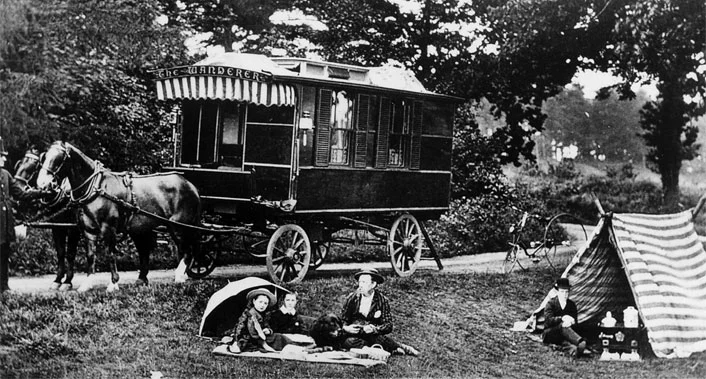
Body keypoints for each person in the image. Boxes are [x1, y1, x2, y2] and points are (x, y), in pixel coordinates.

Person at [0, 138, 52, 292]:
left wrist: (42, 193)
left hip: (5, 221)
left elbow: (21, 194)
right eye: (1, 155)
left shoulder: (5, 174)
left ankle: (4, 286)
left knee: (4, 253)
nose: (4, 158)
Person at [340, 268, 420, 356]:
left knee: (379, 339)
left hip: (372, 335)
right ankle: (385, 349)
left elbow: (388, 325)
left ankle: (400, 347)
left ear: (373, 284)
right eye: (360, 282)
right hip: (354, 335)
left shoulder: (382, 301)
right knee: (349, 342)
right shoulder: (352, 298)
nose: (360, 285)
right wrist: (347, 328)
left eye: (364, 282)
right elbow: (343, 319)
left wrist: (374, 329)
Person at [232, 288, 292, 352]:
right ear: (254, 301)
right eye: (260, 302)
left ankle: (290, 344)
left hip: (262, 336)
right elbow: (240, 326)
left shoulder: (264, 314)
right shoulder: (249, 313)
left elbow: (266, 325)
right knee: (248, 343)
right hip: (250, 337)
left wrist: (268, 330)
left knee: (278, 336)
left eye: (265, 303)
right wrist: (236, 339)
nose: (262, 305)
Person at [543, 278, 588, 357]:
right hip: (551, 333)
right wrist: (562, 318)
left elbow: (575, 322)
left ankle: (575, 350)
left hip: (565, 335)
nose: (564, 294)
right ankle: (580, 342)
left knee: (570, 346)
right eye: (562, 292)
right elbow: (548, 321)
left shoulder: (571, 305)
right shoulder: (551, 303)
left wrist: (571, 322)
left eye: (567, 292)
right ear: (557, 292)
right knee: (562, 326)